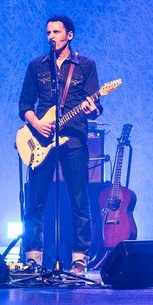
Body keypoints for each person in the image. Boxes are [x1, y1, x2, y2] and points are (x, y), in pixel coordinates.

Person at [17, 14, 101, 274]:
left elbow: (97, 108)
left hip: (74, 138)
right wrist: (36, 123)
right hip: (41, 139)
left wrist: (91, 107)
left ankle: (79, 259)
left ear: (70, 35)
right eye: (48, 33)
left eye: (56, 32)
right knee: (35, 201)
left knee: (79, 200)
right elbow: (24, 105)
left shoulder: (85, 65)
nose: (51, 36)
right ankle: (33, 258)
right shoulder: (36, 66)